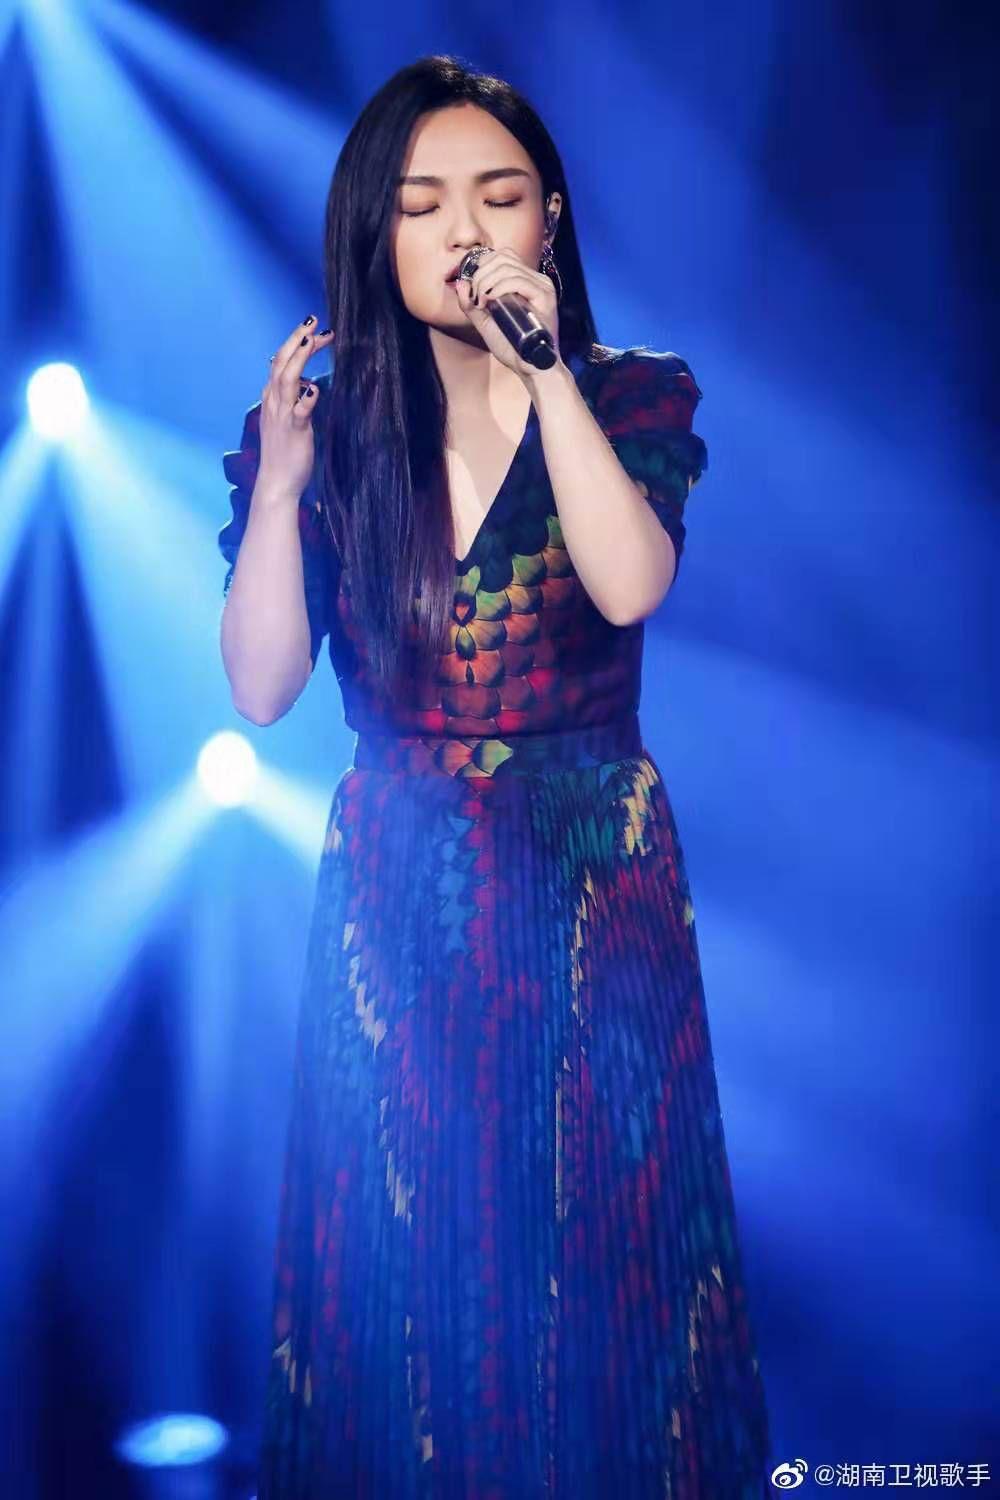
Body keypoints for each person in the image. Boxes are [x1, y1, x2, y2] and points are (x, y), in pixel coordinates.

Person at [219, 53, 773, 1500]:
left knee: (608, 1251)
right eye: (420, 204)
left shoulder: (630, 395)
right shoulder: (330, 435)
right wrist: (279, 489)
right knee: (404, 1253)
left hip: (592, 869)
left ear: (550, 218)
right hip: (398, 876)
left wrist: (544, 374)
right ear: (374, 231)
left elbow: (629, 580)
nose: (462, 231)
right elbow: (262, 689)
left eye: (498, 195)